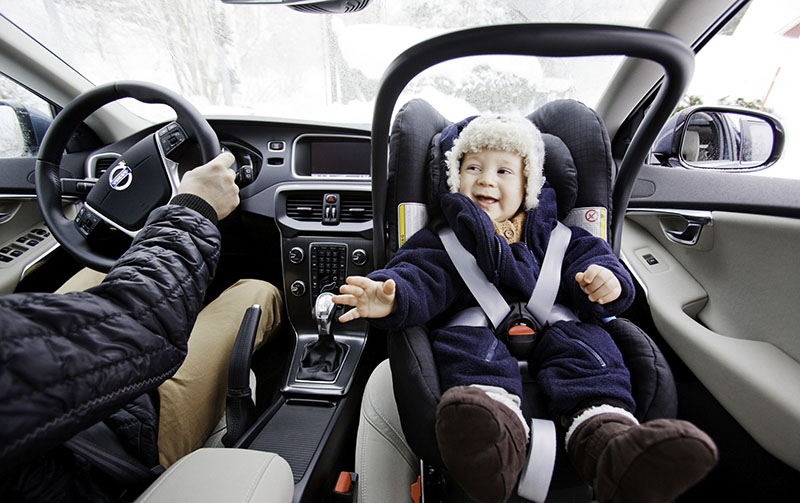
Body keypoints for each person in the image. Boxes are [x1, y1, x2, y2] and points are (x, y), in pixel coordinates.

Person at [333, 116, 718, 503]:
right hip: (475, 334)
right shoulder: (443, 239)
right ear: (454, 178)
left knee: (593, 358)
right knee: (467, 358)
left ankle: (609, 441)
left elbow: (599, 265)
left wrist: (606, 283)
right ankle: (491, 437)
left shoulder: (562, 237)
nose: (486, 180)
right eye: (472, 168)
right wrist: (393, 294)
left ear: (528, 184)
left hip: (565, 331)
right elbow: (418, 273)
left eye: (503, 170)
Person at [0, 152, 283, 501]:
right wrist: (194, 207)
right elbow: (134, 328)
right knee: (258, 291)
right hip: (108, 449)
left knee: (101, 269)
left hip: (51, 432)